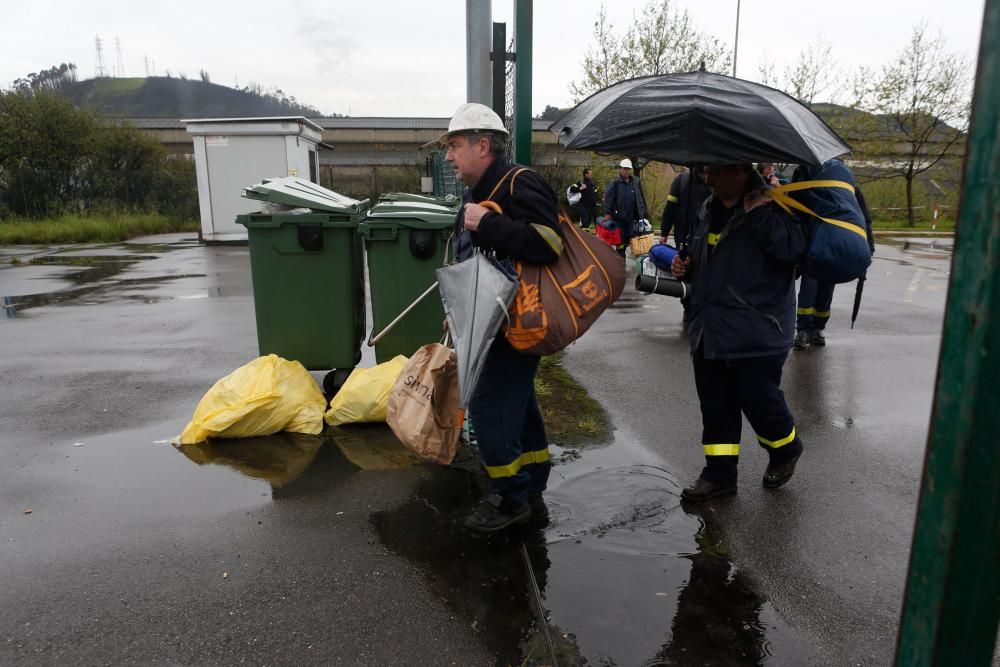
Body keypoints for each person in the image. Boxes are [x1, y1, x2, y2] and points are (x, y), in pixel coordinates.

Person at [440, 102, 563, 533]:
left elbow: (549, 243)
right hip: (493, 319)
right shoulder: (480, 192)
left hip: (516, 322)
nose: (449, 156)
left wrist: (486, 225)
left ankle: (509, 498)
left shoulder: (519, 184)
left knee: (490, 406)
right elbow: (480, 263)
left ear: (484, 145)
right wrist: (460, 309)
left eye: (455, 146)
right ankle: (530, 493)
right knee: (519, 408)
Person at [670, 163, 807, 501]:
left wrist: (761, 212)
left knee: (758, 400)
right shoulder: (705, 207)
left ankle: (785, 449)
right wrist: (684, 266)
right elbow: (707, 258)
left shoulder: (775, 204)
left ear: (739, 170)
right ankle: (719, 475)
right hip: (710, 326)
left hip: (757, 328)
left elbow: (793, 252)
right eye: (705, 171)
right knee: (715, 404)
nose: (708, 177)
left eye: (715, 171)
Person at [793, 168, 876, 349]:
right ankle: (806, 330)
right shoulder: (835, 186)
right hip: (819, 247)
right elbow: (865, 221)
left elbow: (863, 221)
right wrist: (868, 249)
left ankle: (813, 330)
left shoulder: (829, 187)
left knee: (820, 289)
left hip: (822, 247)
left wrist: (868, 249)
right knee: (817, 289)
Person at [661, 166, 711, 324]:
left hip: (706, 235)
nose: (706, 176)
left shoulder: (715, 180)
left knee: (705, 271)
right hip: (683, 235)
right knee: (685, 271)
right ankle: (688, 308)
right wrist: (664, 232)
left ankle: (703, 307)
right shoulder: (681, 181)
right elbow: (670, 208)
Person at [603, 158, 647, 253]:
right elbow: (608, 199)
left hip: (630, 217)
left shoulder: (634, 183)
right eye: (624, 168)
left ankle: (622, 253)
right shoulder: (615, 183)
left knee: (628, 238)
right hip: (619, 217)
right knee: (620, 240)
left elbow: (639, 198)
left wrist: (642, 211)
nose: (626, 171)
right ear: (620, 169)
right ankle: (621, 256)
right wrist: (607, 213)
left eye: (628, 169)